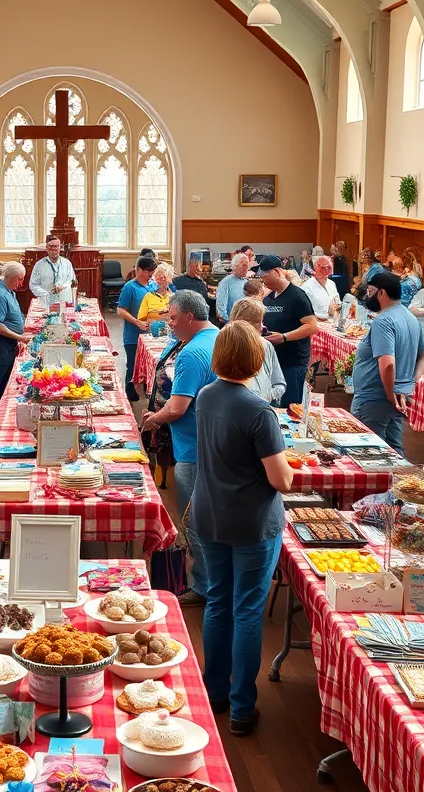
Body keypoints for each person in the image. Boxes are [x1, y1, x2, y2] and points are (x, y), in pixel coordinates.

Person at [191, 321, 293, 734]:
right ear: (256, 359)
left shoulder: (206, 395)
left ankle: (214, 691)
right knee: (248, 609)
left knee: (218, 600)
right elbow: (281, 480)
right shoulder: (257, 410)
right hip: (251, 521)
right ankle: (241, 707)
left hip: (210, 513)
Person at [141, 291, 218, 608]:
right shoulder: (219, 338)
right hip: (215, 446)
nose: (169, 324)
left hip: (191, 449)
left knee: (193, 522)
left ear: (188, 317)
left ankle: (203, 586)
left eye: (172, 317)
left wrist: (152, 419)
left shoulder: (190, 354)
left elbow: (177, 407)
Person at [349, 272, 424, 453]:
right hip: (396, 396)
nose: (368, 296)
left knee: (367, 452)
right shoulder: (410, 318)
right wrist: (409, 381)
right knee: (394, 452)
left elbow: (387, 363)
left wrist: (390, 393)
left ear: (382, 293)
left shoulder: (383, 321)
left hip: (375, 397)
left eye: (370, 291)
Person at [260, 255, 318, 407]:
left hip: (293, 363)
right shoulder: (269, 298)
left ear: (277, 272)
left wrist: (284, 337)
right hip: (274, 362)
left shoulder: (297, 296)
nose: (263, 280)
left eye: (265, 276)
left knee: (291, 408)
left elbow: (312, 326)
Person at [229, 299, 286, 404]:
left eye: (262, 322)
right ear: (245, 323)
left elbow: (279, 384)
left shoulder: (266, 345)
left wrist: (267, 396)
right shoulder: (224, 345)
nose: (263, 327)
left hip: (261, 408)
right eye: (259, 322)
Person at [117, 254, 157, 402]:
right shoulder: (130, 287)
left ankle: (148, 393)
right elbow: (121, 310)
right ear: (138, 269)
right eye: (147, 272)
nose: (149, 275)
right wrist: (136, 322)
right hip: (133, 336)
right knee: (132, 367)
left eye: (152, 273)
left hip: (151, 335)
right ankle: (129, 398)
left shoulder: (153, 285)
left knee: (149, 365)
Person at [0, 262, 30, 393]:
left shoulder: (10, 292)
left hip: (8, 344)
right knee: (0, 384)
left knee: (6, 381)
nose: (21, 283)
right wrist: (20, 337)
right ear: (13, 277)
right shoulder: (0, 296)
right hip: (0, 346)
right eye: (20, 279)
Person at [28, 235, 77, 307]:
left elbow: (72, 281)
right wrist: (46, 293)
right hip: (46, 303)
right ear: (47, 248)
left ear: (60, 247)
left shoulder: (67, 263)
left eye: (56, 246)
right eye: (51, 246)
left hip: (64, 301)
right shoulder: (39, 265)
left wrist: (62, 287)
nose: (54, 248)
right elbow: (33, 285)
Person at [301, 255, 340, 320]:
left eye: (329, 267)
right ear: (315, 268)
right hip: (317, 325)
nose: (326, 270)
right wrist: (325, 317)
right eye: (322, 267)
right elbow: (304, 315)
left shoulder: (332, 284)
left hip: (334, 323)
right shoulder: (306, 288)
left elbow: (338, 305)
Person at [215, 254, 249, 324]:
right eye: (244, 265)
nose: (247, 268)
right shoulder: (225, 283)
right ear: (235, 266)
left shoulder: (246, 282)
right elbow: (220, 308)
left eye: (248, 266)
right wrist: (230, 323)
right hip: (231, 326)